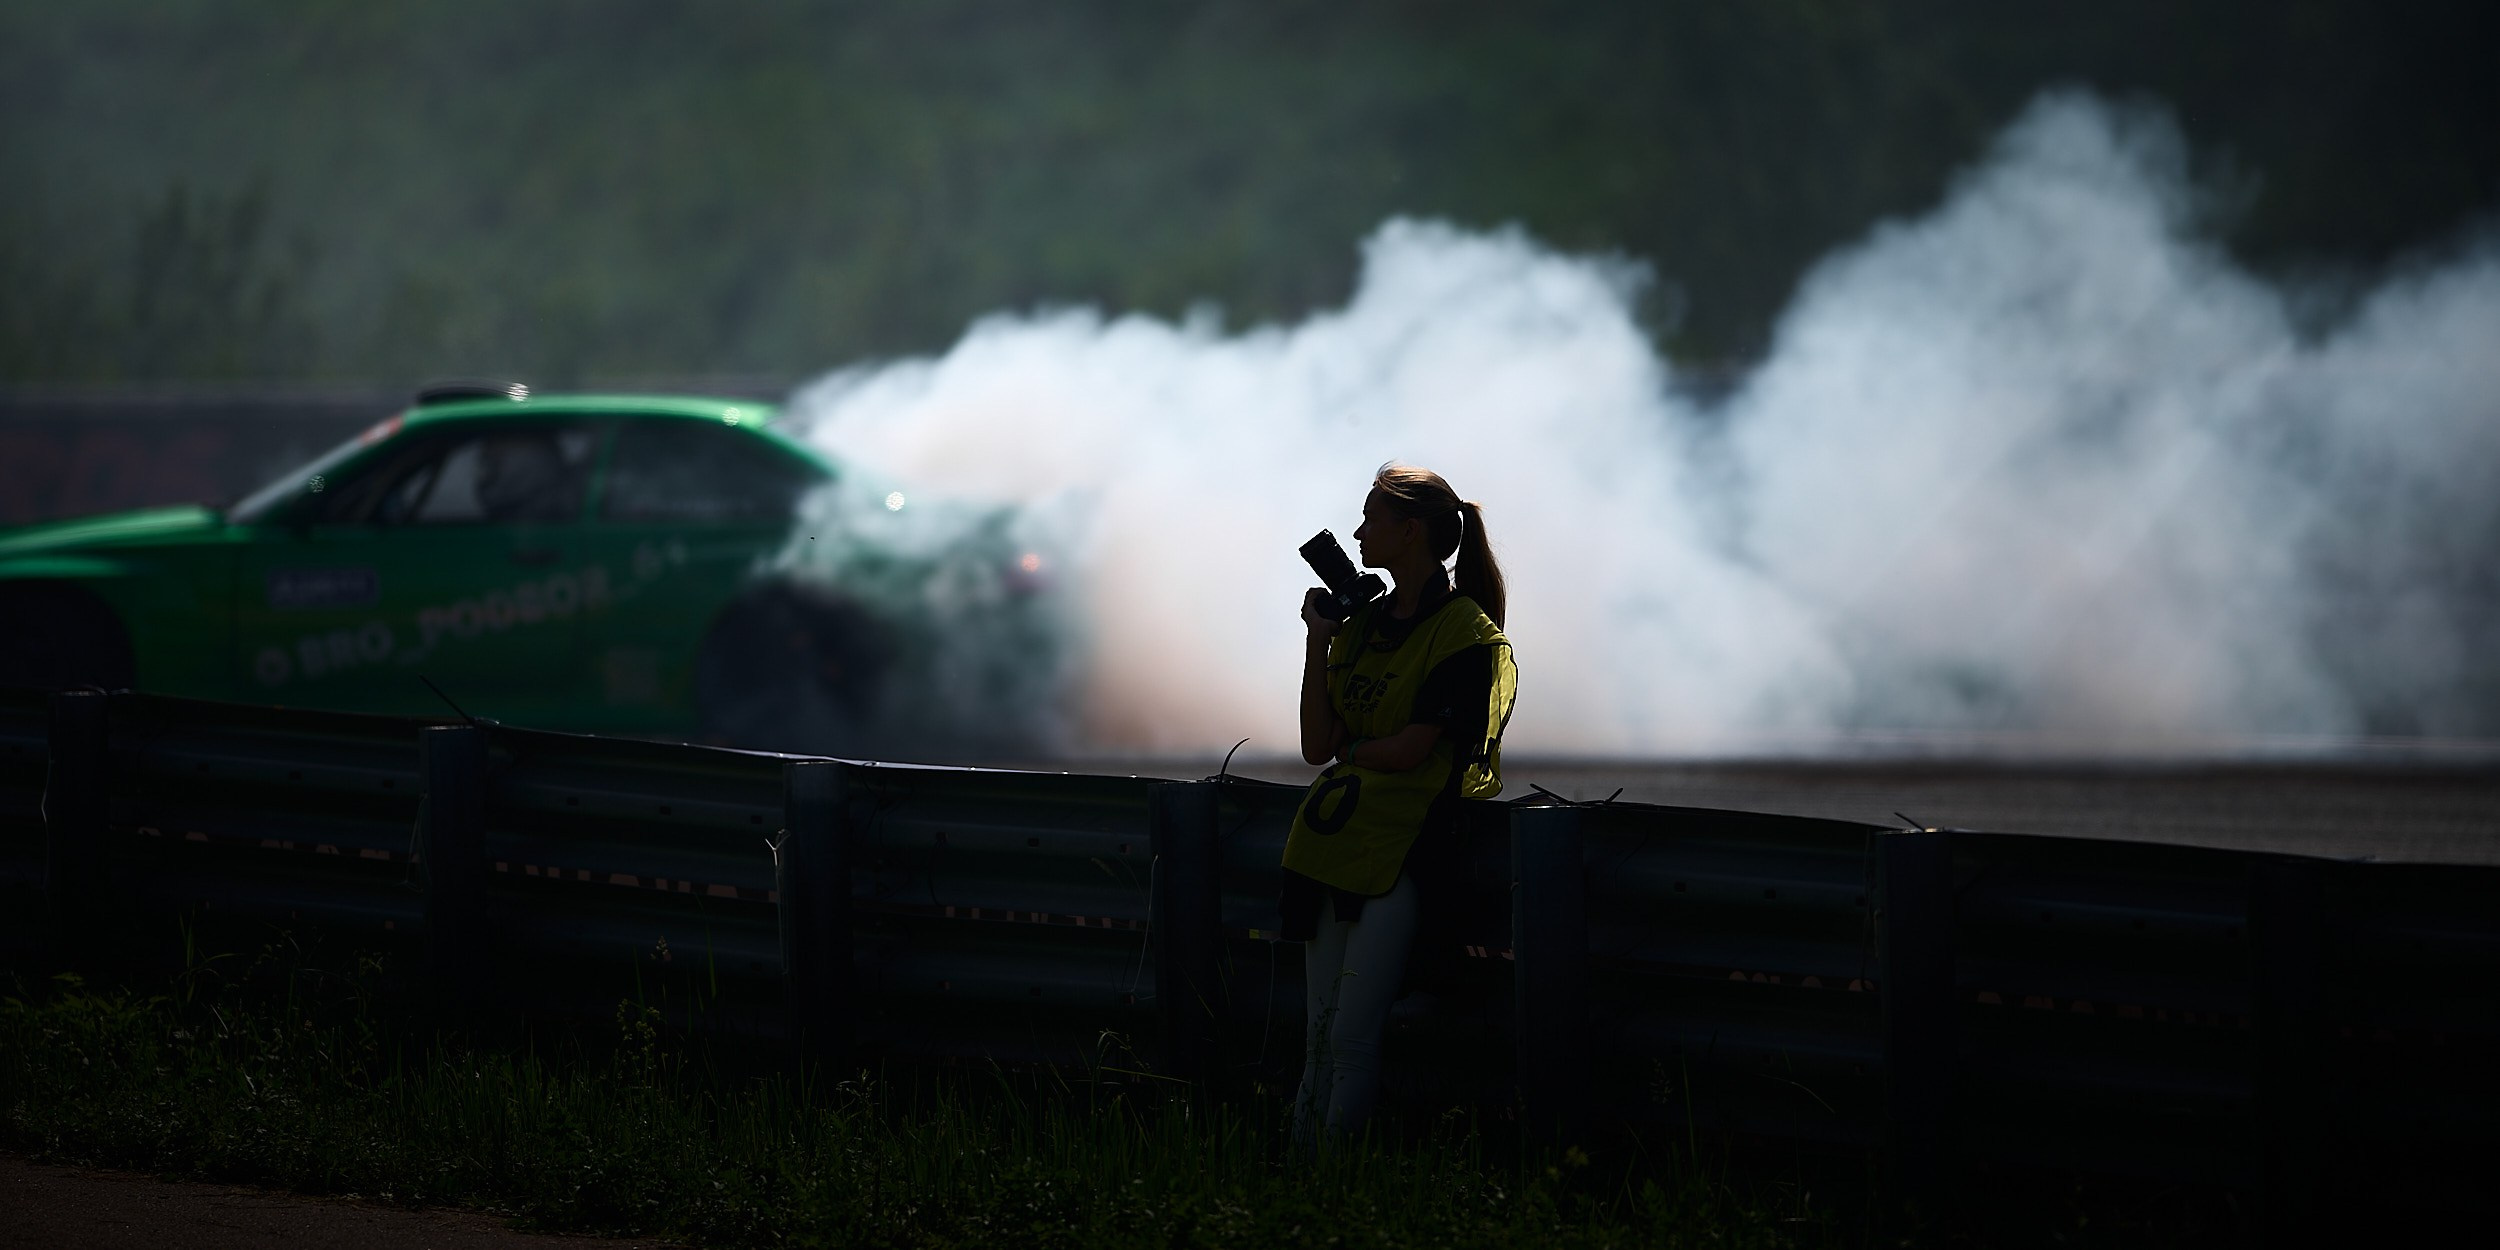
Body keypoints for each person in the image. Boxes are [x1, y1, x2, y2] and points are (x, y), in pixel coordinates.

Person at [1285, 462, 1517, 1148]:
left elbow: (1411, 749)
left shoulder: (1464, 633)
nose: (1357, 533)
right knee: (1320, 1039)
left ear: (1409, 532)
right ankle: (1299, 1186)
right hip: (1331, 851)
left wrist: (1352, 754)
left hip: (1399, 859)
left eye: (1372, 519)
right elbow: (1314, 741)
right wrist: (1317, 640)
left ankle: (1323, 1189)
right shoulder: (1363, 625)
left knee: (1350, 1041)